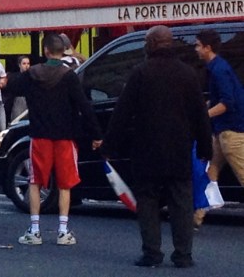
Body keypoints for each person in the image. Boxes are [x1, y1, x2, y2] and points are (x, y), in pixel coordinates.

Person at [102, 25, 211, 268]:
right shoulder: (187, 73)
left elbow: (122, 113)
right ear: (170, 44)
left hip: (146, 148)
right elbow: (199, 115)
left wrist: (110, 145)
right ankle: (183, 254)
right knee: (181, 202)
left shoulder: (140, 73)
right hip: (179, 147)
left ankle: (152, 252)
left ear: (151, 44)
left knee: (148, 202)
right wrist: (205, 148)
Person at [16, 33, 102, 247]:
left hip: (40, 136)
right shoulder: (69, 76)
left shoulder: (32, 75)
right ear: (62, 51)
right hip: (65, 136)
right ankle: (62, 231)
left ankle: (34, 230)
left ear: (45, 51)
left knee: (35, 182)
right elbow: (84, 106)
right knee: (65, 184)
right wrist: (96, 134)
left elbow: (13, 87)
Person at [192, 28, 244, 228]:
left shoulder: (218, 70)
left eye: (198, 45)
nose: (195, 49)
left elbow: (226, 102)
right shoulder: (219, 67)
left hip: (231, 132)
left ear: (207, 47)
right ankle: (197, 216)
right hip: (224, 131)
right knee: (209, 172)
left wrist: (203, 115)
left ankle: (197, 215)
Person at [4, 55, 30, 123]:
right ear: (19, 65)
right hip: (18, 100)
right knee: (17, 120)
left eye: (28, 63)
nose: (26, 66)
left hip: (29, 100)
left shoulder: (33, 76)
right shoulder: (13, 77)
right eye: (24, 64)